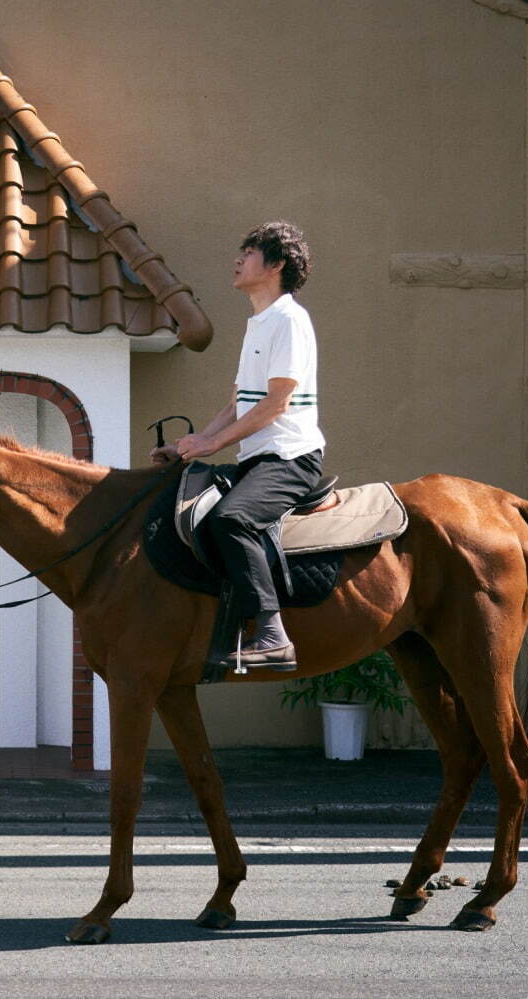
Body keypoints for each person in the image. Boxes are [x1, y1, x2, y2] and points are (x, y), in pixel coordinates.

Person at [152, 221, 325, 673]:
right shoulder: (260, 323)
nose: (237, 259)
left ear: (276, 265)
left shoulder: (289, 319)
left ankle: (272, 634)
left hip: (291, 458)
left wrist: (211, 444)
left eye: (248, 252)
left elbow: (275, 404)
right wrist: (190, 446)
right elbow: (237, 404)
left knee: (233, 518)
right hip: (259, 458)